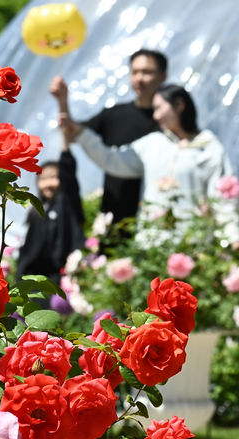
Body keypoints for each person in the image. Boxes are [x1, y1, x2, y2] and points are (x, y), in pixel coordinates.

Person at [61, 84, 234, 226]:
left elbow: (222, 196)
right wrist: (82, 133)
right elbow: (113, 161)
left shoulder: (208, 146)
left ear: (179, 105)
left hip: (192, 238)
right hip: (153, 239)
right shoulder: (153, 143)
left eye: (159, 108)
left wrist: (231, 237)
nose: (155, 116)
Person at [52, 49, 168, 226]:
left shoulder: (169, 121)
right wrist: (62, 100)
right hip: (113, 216)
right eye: (135, 72)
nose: (139, 78)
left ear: (163, 76)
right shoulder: (114, 115)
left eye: (147, 72)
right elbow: (74, 132)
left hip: (153, 217)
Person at [15, 118, 85, 288]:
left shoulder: (66, 203)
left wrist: (65, 140)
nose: (49, 183)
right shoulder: (37, 210)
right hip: (34, 278)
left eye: (54, 177)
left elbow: (68, 172)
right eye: (43, 179)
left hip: (60, 279)